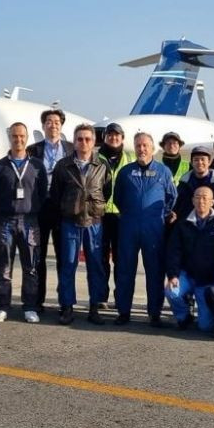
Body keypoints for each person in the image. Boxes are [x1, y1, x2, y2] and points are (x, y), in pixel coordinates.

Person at [49, 123, 112, 325]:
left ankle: (94, 308)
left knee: (95, 265)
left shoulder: (102, 165)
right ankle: (67, 307)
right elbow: (56, 193)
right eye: (79, 139)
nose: (83, 142)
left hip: (94, 222)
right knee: (68, 264)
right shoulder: (63, 166)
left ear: (93, 142)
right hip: (70, 221)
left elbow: (106, 190)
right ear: (74, 142)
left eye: (87, 139)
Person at [113, 132, 177, 327]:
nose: (141, 149)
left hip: (154, 227)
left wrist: (160, 215)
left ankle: (154, 313)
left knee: (155, 271)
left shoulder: (163, 171)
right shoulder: (125, 172)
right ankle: (123, 311)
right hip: (129, 226)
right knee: (125, 269)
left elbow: (171, 197)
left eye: (145, 146)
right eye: (138, 145)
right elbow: (118, 198)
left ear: (152, 148)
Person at [0, 122, 48, 323]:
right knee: (3, 267)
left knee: (31, 267)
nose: (18, 139)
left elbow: (42, 192)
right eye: (14, 136)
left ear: (27, 138)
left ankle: (30, 306)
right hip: (5, 221)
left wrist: (33, 208)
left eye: (22, 136)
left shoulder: (37, 166)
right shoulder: (0, 166)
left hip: (30, 221)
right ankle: (2, 306)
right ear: (10, 138)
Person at [165, 186, 214, 331]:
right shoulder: (183, 224)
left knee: (205, 327)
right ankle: (184, 316)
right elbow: (173, 252)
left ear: (212, 202)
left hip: (209, 281)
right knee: (172, 292)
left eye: (205, 198)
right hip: (188, 274)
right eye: (197, 197)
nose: (201, 201)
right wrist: (173, 275)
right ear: (192, 200)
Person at [27, 109, 74, 315]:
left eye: (56, 122)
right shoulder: (32, 150)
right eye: (48, 121)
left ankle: (65, 302)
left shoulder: (71, 149)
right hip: (40, 207)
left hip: (63, 208)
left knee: (64, 257)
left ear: (61, 126)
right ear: (43, 125)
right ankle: (38, 301)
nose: (52, 125)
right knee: (39, 256)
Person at [97, 122, 135, 307]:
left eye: (117, 135)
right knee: (100, 258)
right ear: (104, 137)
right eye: (110, 135)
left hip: (122, 217)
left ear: (122, 138)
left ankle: (121, 298)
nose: (113, 138)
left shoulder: (130, 159)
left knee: (121, 260)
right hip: (100, 216)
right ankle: (100, 297)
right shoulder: (96, 158)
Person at [173, 145, 214, 221]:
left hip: (213, 224)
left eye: (203, 159)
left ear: (209, 162)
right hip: (188, 224)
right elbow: (177, 207)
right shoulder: (184, 183)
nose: (200, 162)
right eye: (196, 160)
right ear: (191, 163)